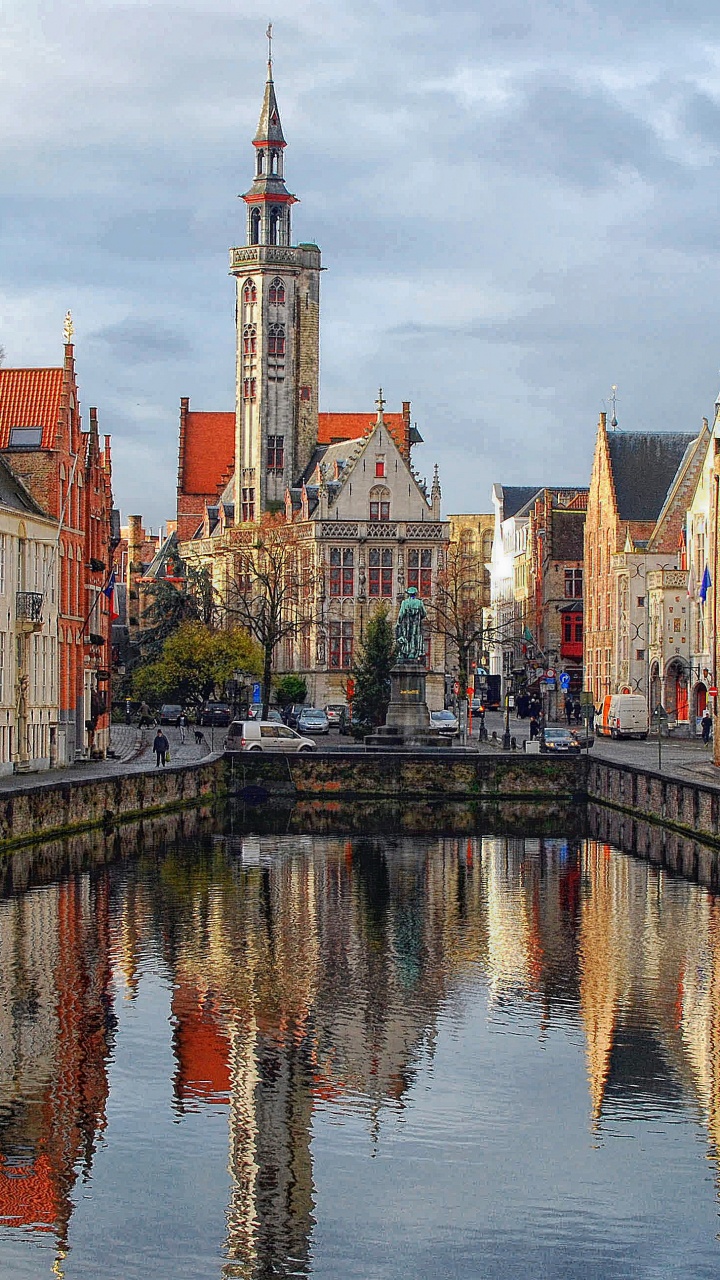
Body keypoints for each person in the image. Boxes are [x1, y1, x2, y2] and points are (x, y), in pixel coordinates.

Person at [395, 586, 427, 662]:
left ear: (408, 594)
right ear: (415, 594)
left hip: (406, 625)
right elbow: (424, 613)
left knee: (406, 637)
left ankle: (405, 652)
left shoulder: (404, 602)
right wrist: (418, 617)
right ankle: (412, 653)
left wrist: (398, 623)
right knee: (414, 637)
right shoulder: (419, 602)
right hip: (416, 624)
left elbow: (401, 614)